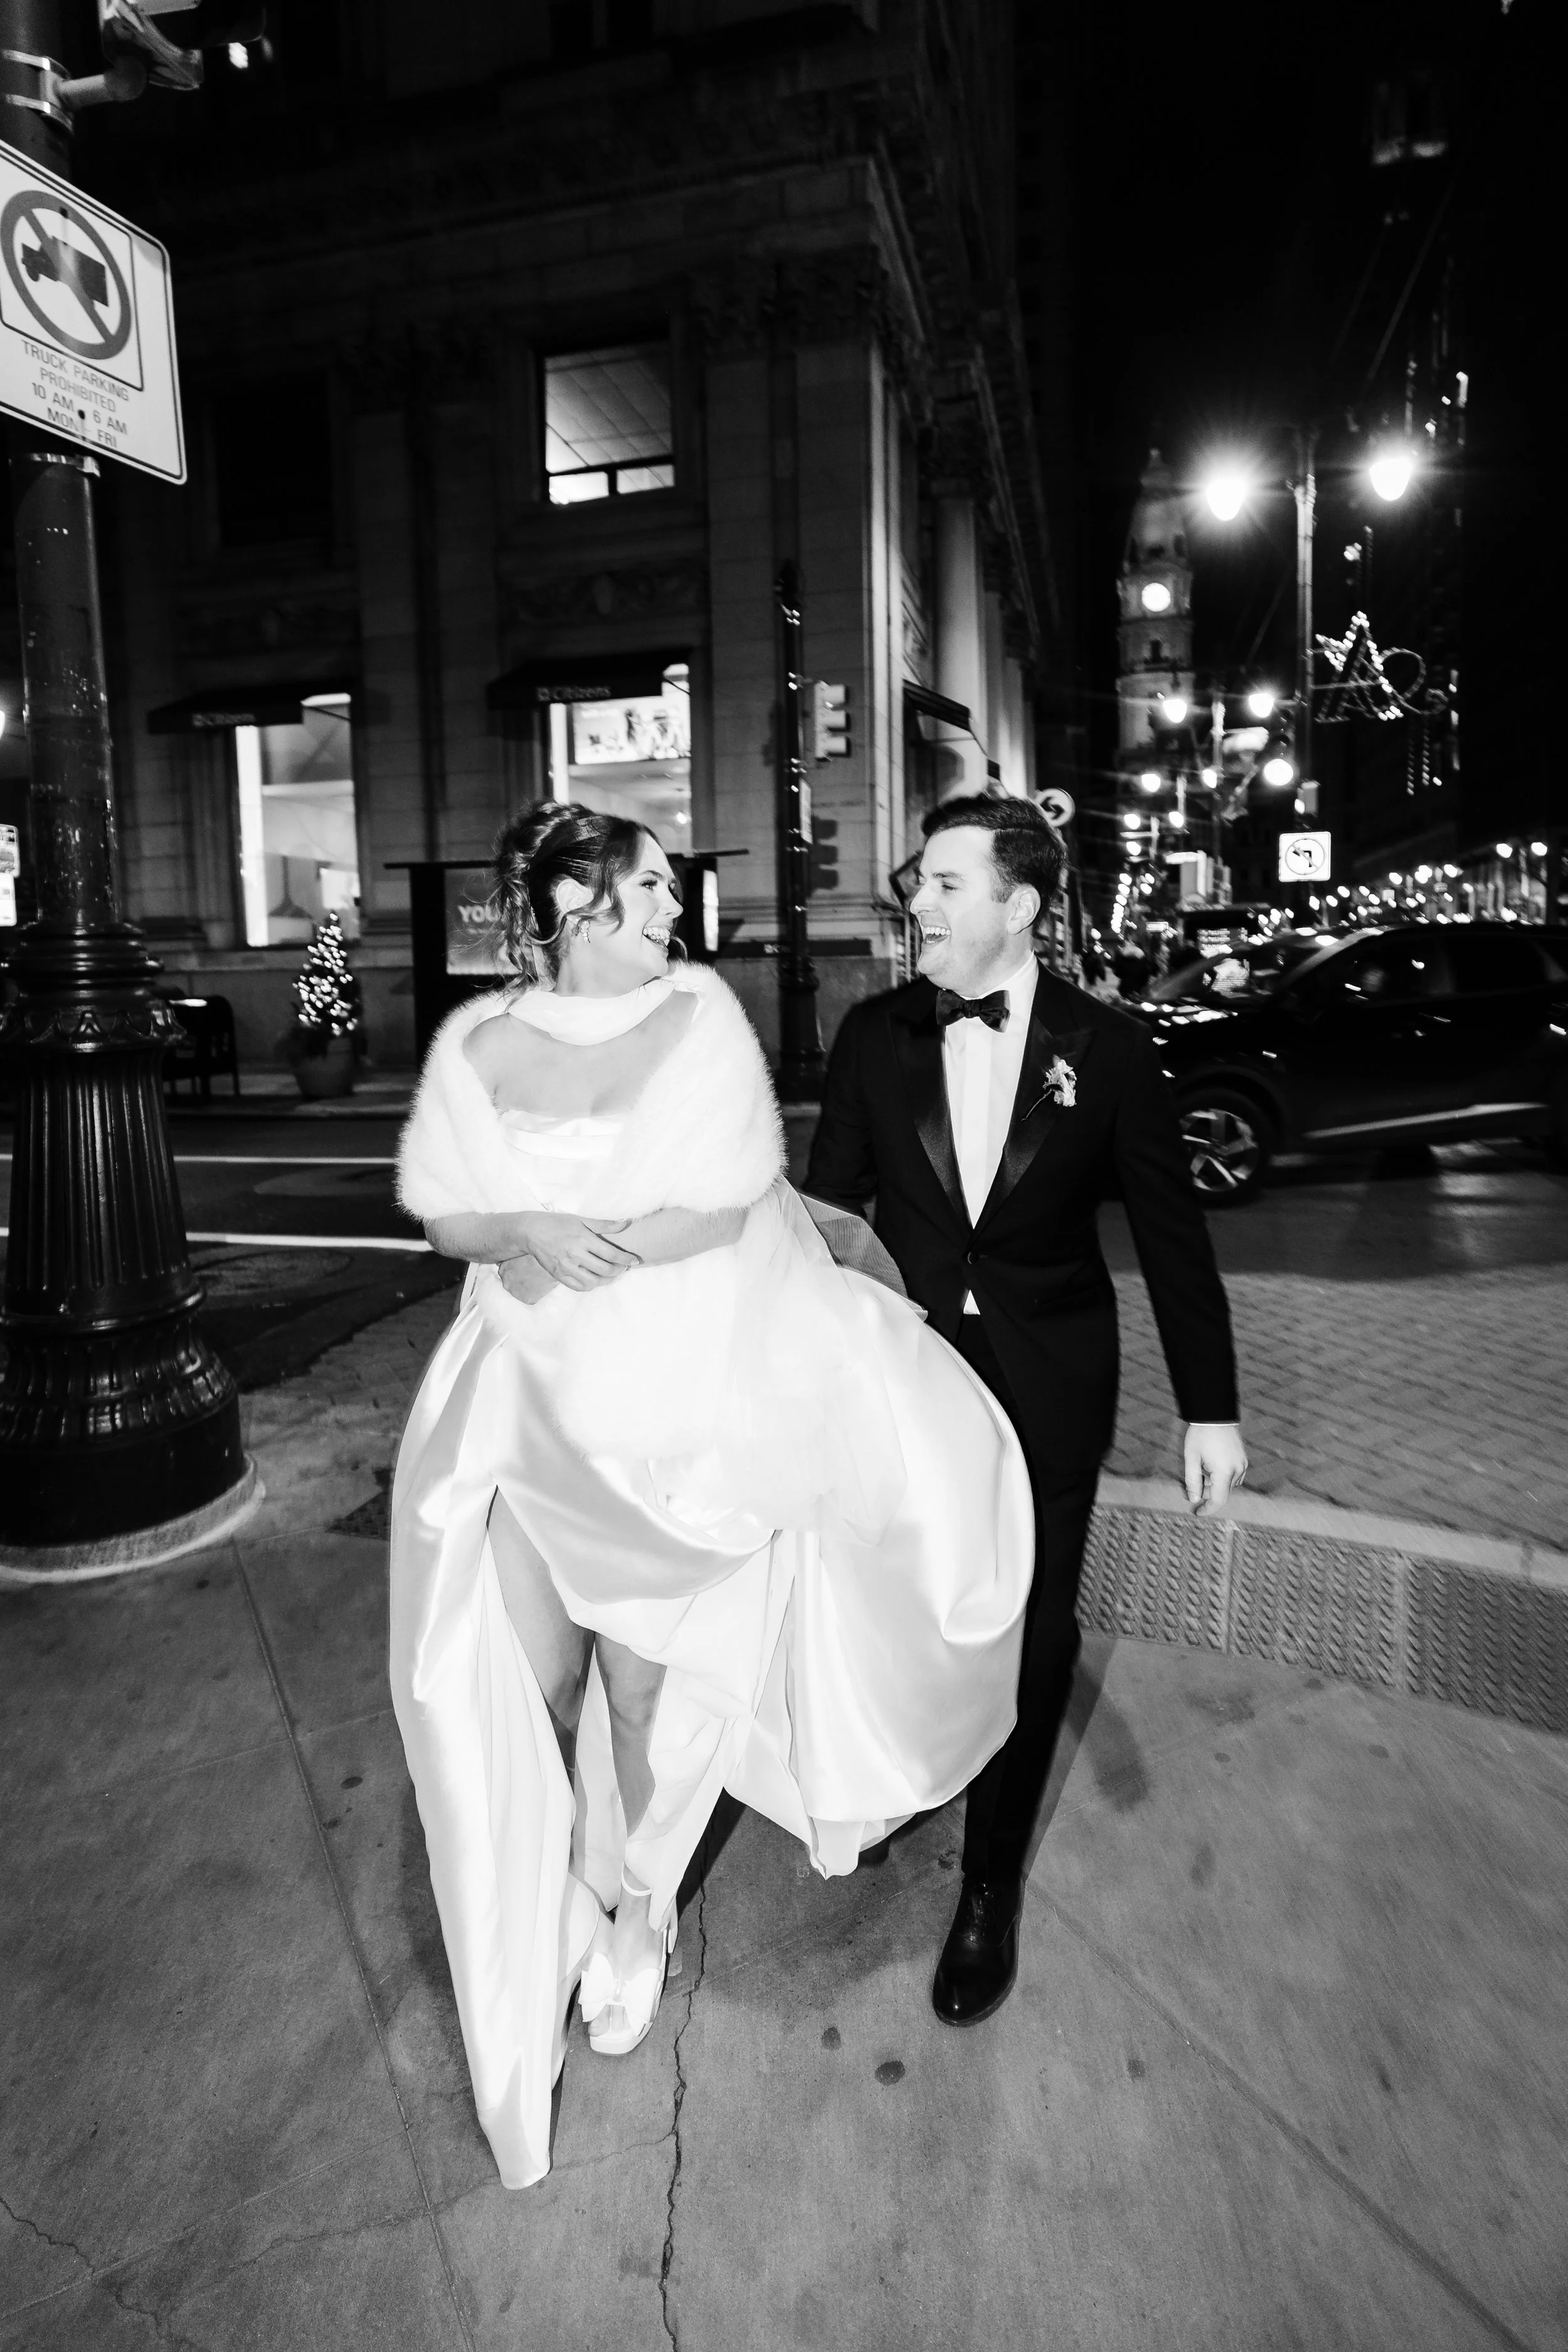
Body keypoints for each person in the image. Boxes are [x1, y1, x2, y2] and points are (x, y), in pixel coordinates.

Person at [389, 802, 1033, 2189]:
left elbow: (733, 1199)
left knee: (637, 1690)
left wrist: (587, 1246)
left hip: (661, 1404)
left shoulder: (697, 1025)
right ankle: (551, 1901)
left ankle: (636, 1908)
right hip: (518, 1403)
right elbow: (444, 1212)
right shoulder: (482, 1042)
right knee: (528, 1683)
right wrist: (520, 1226)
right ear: (576, 903)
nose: (674, 908)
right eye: (647, 889)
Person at [806, 794, 1246, 2027]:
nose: (917, 900)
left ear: (1021, 906)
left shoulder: (1108, 1051)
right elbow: (827, 1221)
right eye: (919, 880)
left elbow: (1171, 1237)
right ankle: (907, 1772)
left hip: (1048, 1387)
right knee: (901, 1607)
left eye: (945, 883)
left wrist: (1209, 1408)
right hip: (908, 1386)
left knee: (1033, 1631)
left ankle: (988, 1886)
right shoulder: (874, 1035)